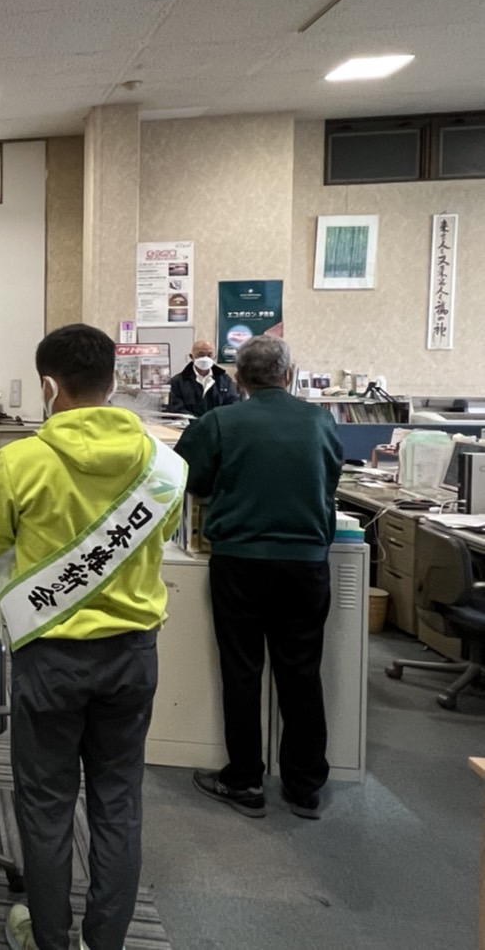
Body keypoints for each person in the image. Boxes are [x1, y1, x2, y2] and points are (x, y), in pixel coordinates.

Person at [0, 323, 186, 950]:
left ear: (47, 386)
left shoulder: (21, 460)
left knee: (45, 803)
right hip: (132, 654)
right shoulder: (163, 463)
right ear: (113, 382)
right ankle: (106, 941)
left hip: (50, 656)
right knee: (118, 800)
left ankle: (49, 937)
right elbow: (163, 532)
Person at [175, 335, 342, 821]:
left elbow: (190, 478)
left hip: (240, 560)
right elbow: (330, 478)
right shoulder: (320, 421)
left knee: (242, 668)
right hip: (306, 562)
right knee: (301, 670)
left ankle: (245, 779)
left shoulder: (221, 421)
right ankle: (304, 786)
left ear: (239, 378)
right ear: (288, 375)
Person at [168, 338, 238, 417]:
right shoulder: (177, 382)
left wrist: (213, 420)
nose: (205, 358)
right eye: (201, 355)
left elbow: (232, 406)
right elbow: (176, 409)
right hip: (190, 424)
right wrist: (198, 421)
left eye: (209, 355)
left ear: (214, 357)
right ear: (192, 357)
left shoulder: (225, 380)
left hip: (218, 423)